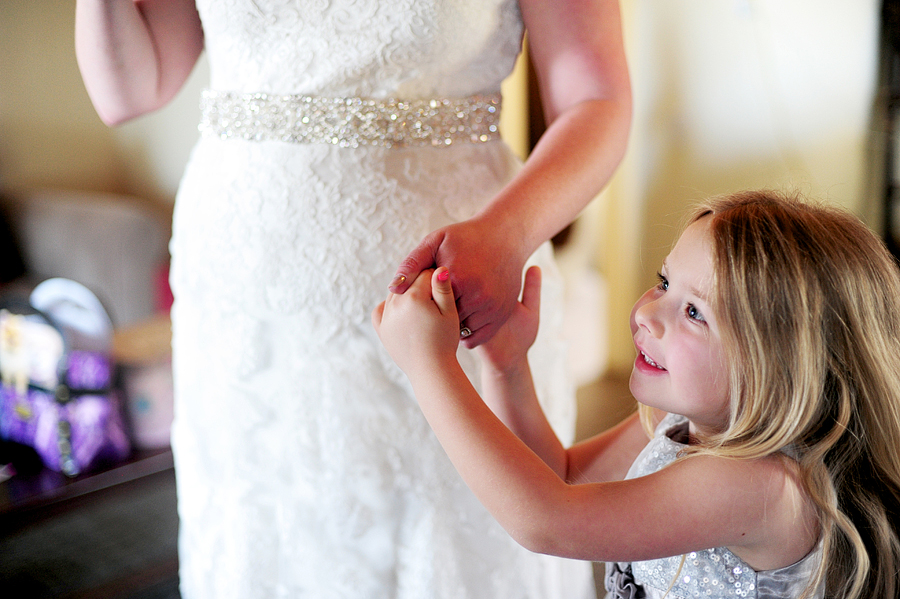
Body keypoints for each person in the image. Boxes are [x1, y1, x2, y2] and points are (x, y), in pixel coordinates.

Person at [74, 1, 632, 597]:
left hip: (452, 284)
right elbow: (129, 90)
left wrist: (506, 233)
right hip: (248, 300)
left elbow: (596, 99)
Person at [373, 189, 900, 599]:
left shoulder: (761, 486)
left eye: (694, 313)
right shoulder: (676, 422)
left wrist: (430, 365)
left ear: (782, 367)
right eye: (664, 282)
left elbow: (547, 522)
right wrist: (507, 365)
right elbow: (563, 478)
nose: (648, 313)